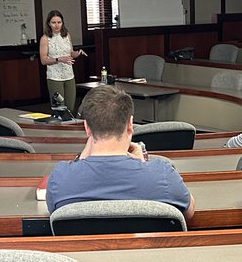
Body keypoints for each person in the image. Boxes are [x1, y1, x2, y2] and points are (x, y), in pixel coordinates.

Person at [46, 85, 195, 221]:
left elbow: (54, 211)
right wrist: (142, 164)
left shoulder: (60, 177)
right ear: (130, 125)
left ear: (87, 128)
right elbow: (189, 212)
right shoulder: (163, 174)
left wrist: (81, 159)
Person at [39, 9, 84, 116]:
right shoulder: (45, 39)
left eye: (59, 22)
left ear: (62, 23)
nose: (56, 25)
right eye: (53, 23)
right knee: (59, 107)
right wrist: (59, 59)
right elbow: (43, 60)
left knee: (70, 107)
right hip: (55, 77)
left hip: (69, 75)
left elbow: (70, 53)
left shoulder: (66, 35)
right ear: (49, 24)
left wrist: (77, 53)